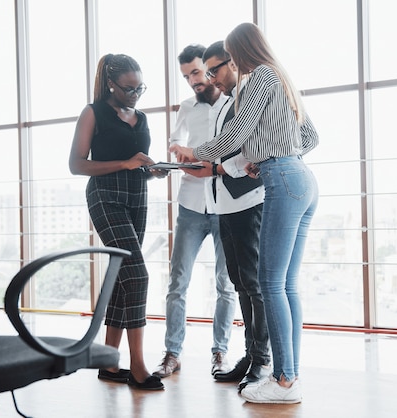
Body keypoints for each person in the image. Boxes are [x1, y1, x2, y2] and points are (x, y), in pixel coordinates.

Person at [170, 23, 319, 404]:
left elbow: (235, 136)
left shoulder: (259, 77)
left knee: (269, 285)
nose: (229, 66)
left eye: (231, 58)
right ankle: (289, 377)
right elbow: (310, 139)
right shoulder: (282, 79)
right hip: (300, 176)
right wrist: (267, 158)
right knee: (285, 286)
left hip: (282, 180)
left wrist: (195, 152)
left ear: (241, 52)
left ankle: (283, 381)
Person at [69, 53, 165, 390]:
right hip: (105, 196)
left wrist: (152, 171)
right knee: (137, 275)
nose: (135, 94)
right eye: (128, 88)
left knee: (124, 278)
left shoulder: (141, 117)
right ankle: (137, 365)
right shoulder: (93, 113)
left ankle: (109, 362)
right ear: (111, 84)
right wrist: (124, 163)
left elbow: (136, 164)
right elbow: (77, 165)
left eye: (140, 88)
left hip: (137, 197)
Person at [184, 40, 271, 391]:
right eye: (207, 72)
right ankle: (251, 355)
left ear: (233, 63)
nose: (211, 78)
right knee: (239, 282)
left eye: (214, 69)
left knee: (253, 284)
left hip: (249, 201)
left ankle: (261, 360)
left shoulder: (250, 95)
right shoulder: (226, 102)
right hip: (223, 205)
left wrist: (212, 165)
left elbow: (249, 148)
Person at [153, 44, 236, 378]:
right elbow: (176, 143)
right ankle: (172, 354)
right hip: (190, 204)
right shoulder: (186, 107)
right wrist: (176, 155)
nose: (192, 81)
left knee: (226, 285)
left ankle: (220, 353)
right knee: (177, 283)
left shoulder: (235, 105)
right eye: (186, 76)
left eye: (197, 73)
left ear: (212, 69)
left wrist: (206, 159)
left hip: (226, 204)